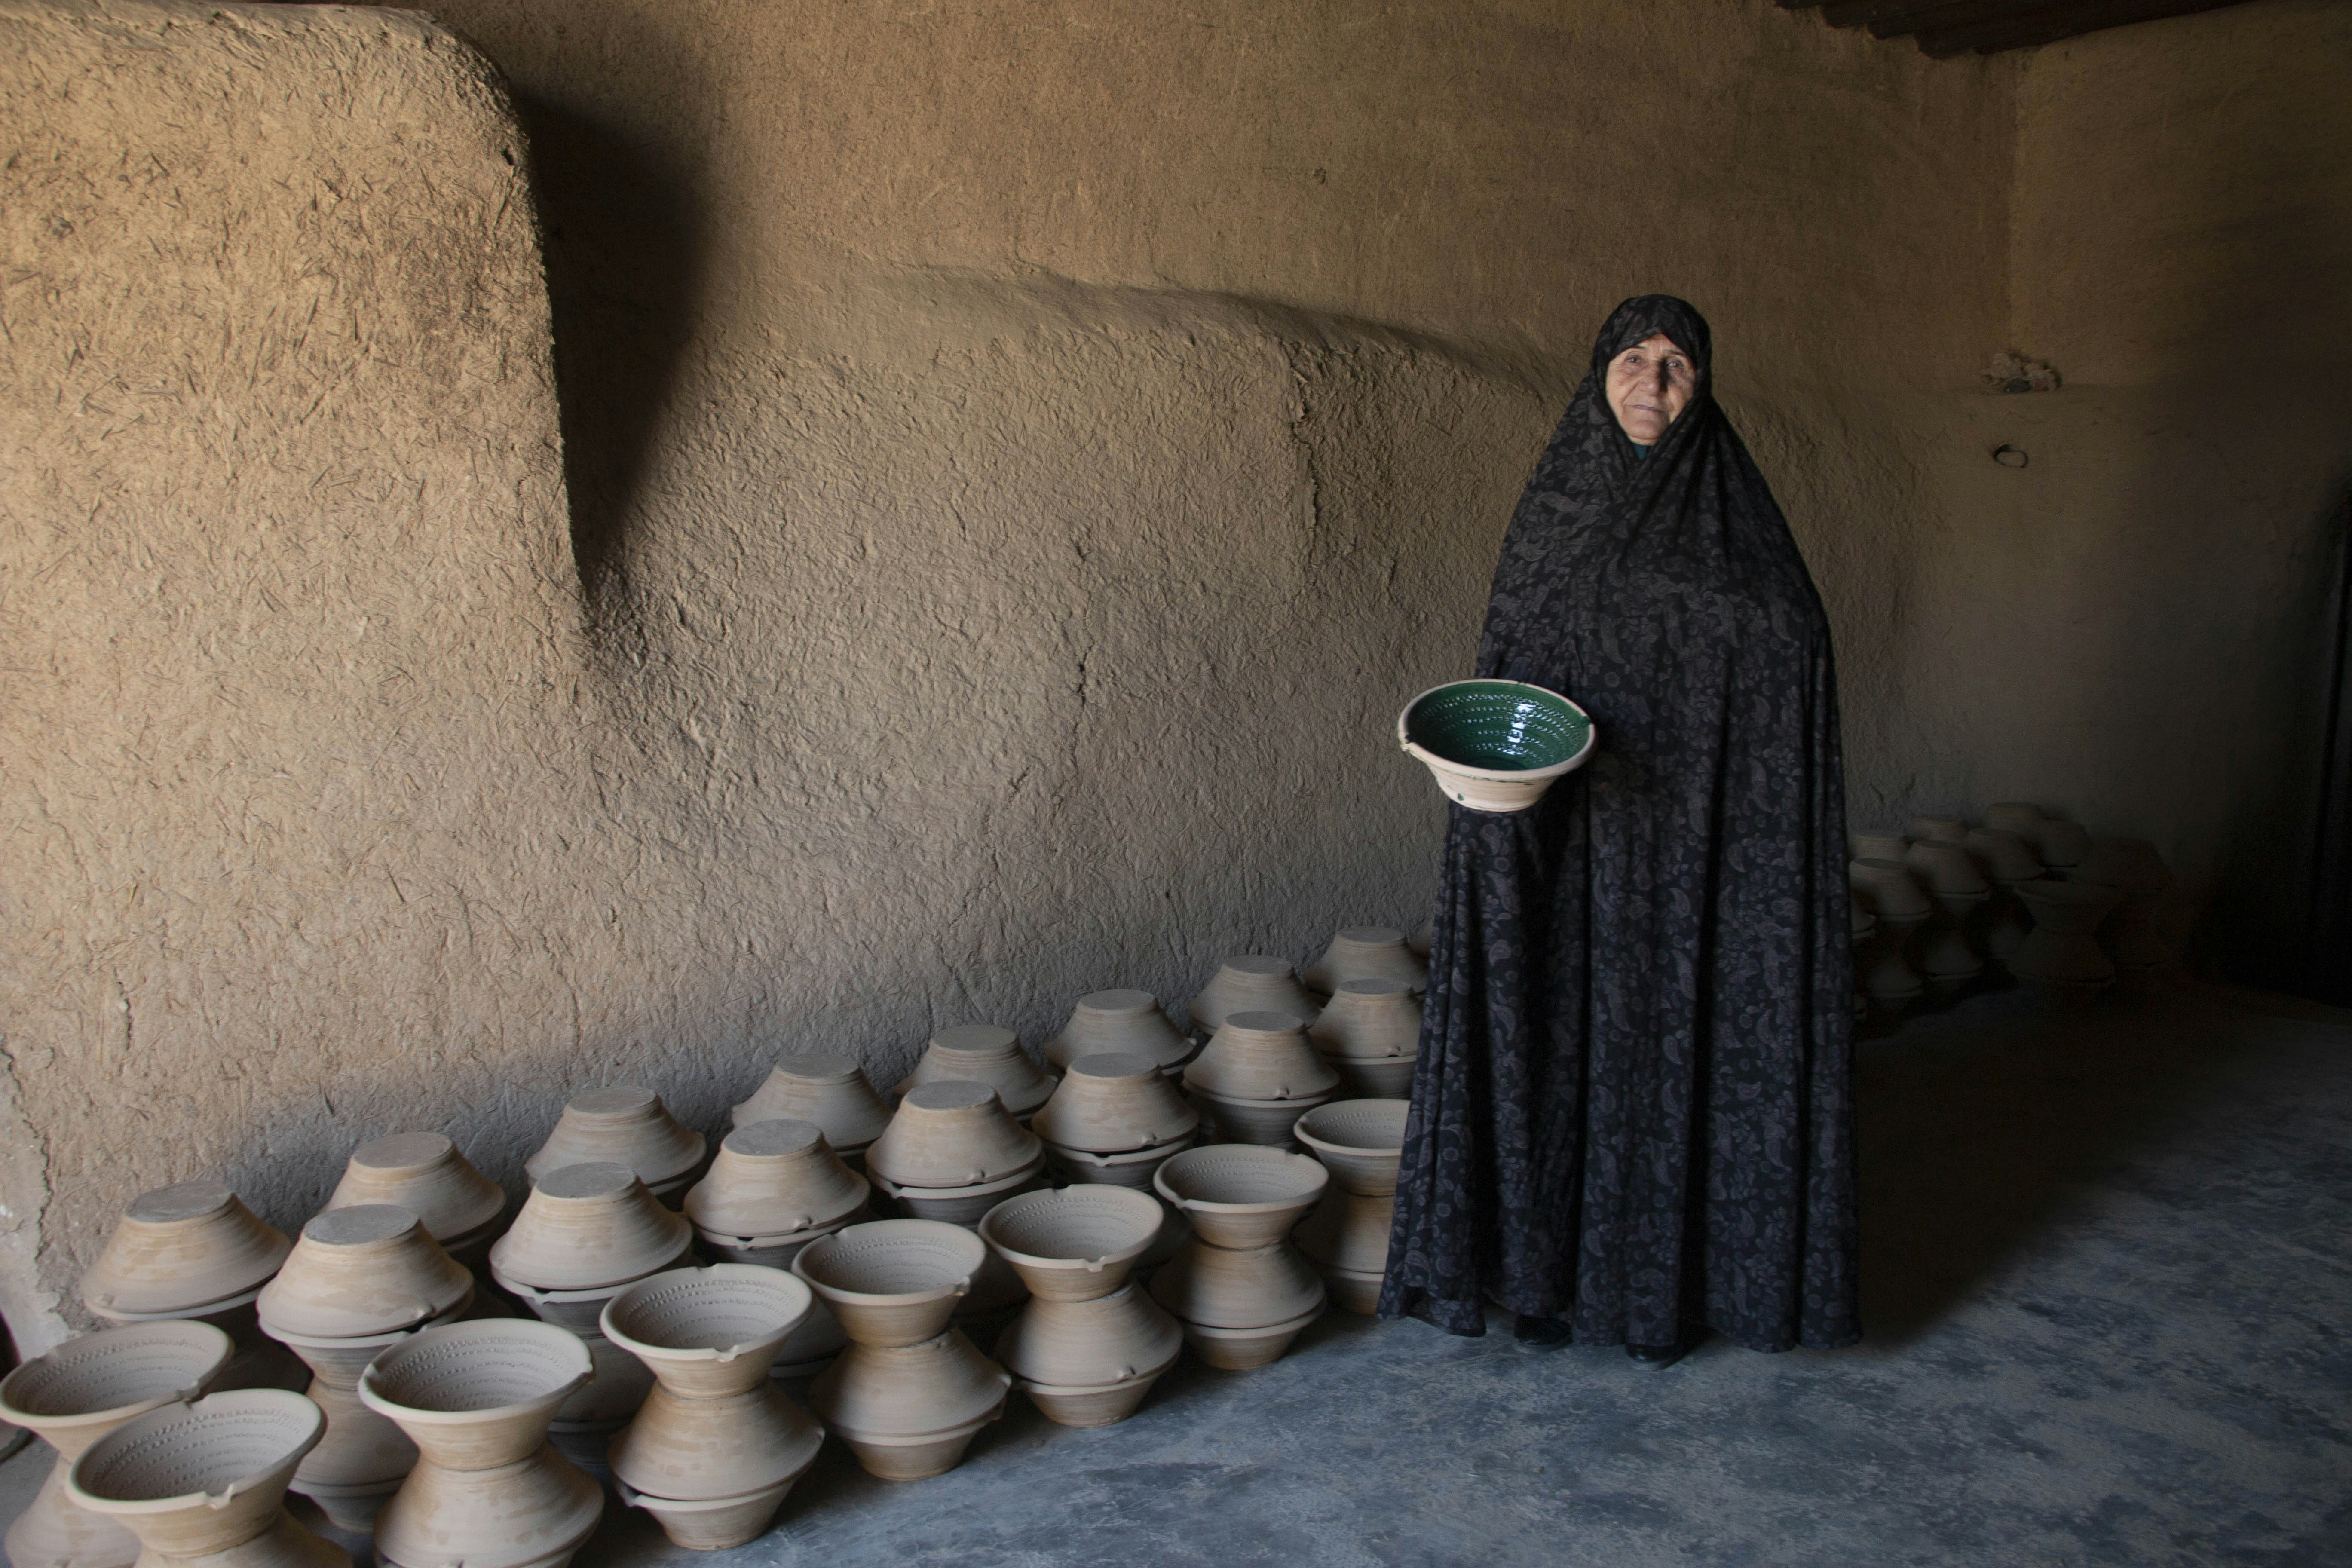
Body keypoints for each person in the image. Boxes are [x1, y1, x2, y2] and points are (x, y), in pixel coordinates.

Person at [1380, 295, 1859, 1366]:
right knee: (1556, 1038)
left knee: (1674, 1047)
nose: (1654, 381)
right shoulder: (1558, 515)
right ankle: (1541, 1281)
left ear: (1703, 389)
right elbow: (1515, 665)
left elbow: (1793, 641)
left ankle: (1665, 1297)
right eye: (1634, 359)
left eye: (1679, 364)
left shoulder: (1738, 528)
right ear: (1600, 375)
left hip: (1702, 853)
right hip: (1568, 847)